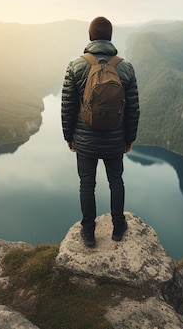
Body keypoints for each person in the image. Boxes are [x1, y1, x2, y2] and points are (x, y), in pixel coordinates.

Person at [61, 16, 140, 247]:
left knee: (87, 184)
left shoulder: (76, 66)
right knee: (116, 180)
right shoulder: (125, 68)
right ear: (110, 37)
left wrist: (69, 137)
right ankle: (118, 226)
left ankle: (88, 231)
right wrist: (129, 138)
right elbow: (133, 108)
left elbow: (68, 106)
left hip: (85, 142)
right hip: (115, 140)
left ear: (90, 36)